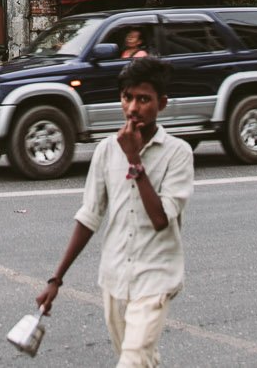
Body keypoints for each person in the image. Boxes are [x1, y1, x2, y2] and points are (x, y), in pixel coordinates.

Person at [37, 56, 194, 368]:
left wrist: (135, 161)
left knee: (132, 361)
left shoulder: (179, 153)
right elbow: (89, 216)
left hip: (156, 278)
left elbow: (161, 220)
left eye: (144, 99)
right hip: (115, 277)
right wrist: (56, 279)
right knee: (139, 358)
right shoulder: (107, 150)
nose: (133, 108)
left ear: (162, 103)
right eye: (127, 98)